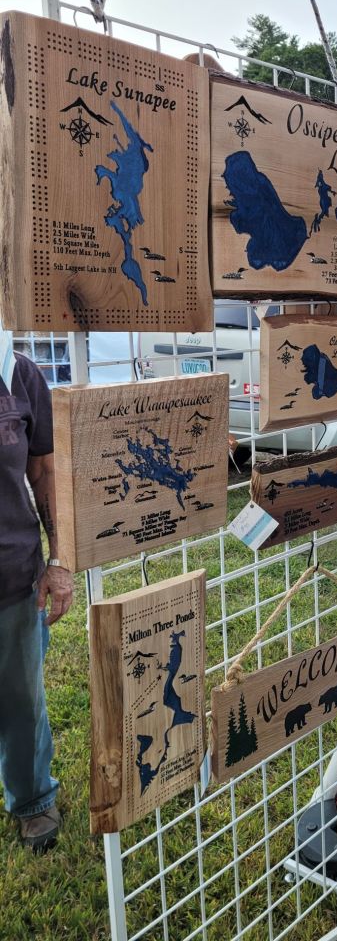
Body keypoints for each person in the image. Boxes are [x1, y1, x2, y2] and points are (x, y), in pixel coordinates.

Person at [0, 328, 74, 852]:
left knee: (22, 699)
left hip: (12, 574)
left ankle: (32, 799)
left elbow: (45, 471)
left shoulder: (18, 373)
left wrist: (58, 561)